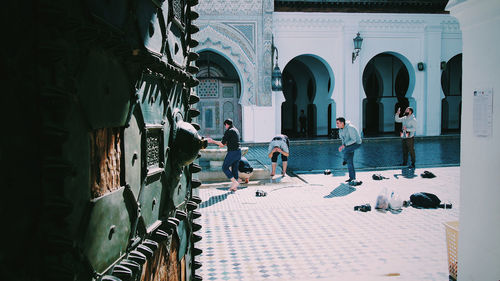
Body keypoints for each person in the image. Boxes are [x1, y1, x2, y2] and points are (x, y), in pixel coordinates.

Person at [206, 119, 241, 191]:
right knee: (234, 169)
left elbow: (222, 144)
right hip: (238, 152)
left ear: (226, 124)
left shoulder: (229, 131)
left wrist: (212, 141)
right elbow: (227, 143)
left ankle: (235, 182)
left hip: (232, 153)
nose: (225, 127)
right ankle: (235, 187)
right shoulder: (236, 130)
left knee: (225, 167)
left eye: (225, 125)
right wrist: (221, 144)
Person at [336, 117, 362, 183]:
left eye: (338, 123)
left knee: (345, 151)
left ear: (342, 123)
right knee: (350, 162)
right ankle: (352, 178)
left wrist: (343, 146)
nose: (337, 125)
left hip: (356, 143)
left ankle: (345, 160)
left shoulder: (350, 127)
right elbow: (343, 140)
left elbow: (354, 140)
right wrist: (343, 145)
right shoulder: (340, 130)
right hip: (348, 145)